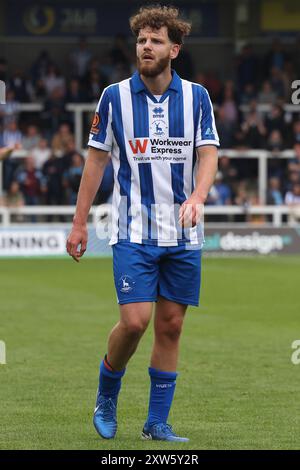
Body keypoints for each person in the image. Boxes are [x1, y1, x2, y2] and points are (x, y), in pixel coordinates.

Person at [66, 5, 219, 442]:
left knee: (171, 325)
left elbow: (208, 152)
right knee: (135, 322)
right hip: (132, 230)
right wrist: (79, 225)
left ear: (175, 48)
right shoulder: (113, 97)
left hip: (184, 234)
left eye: (155, 41)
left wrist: (198, 196)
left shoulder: (197, 98)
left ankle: (156, 424)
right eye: (141, 40)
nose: (146, 47)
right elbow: (95, 163)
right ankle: (107, 393)